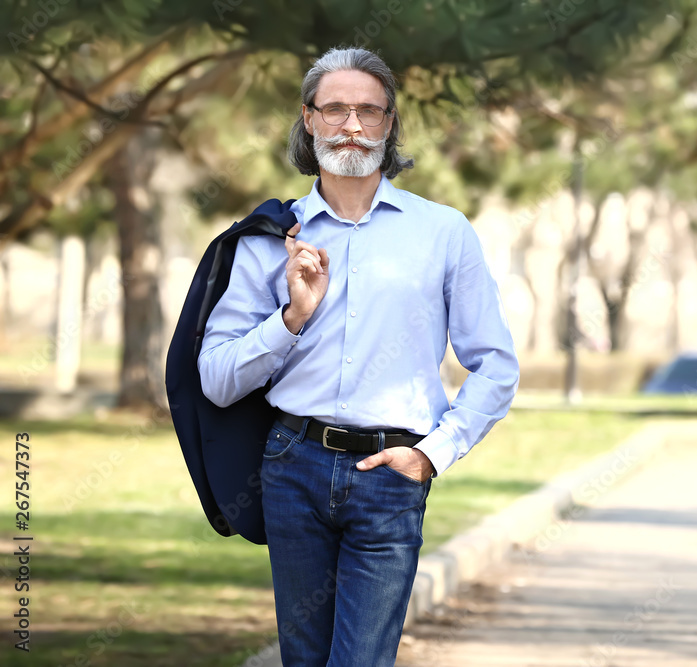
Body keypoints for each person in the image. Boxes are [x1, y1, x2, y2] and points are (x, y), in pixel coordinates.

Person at [197, 46, 519, 666]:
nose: (352, 125)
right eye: (336, 109)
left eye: (369, 112)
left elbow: (496, 366)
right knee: (304, 659)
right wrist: (291, 317)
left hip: (391, 473)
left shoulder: (442, 232)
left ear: (390, 124)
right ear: (309, 119)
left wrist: (431, 454)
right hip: (292, 468)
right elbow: (216, 379)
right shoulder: (271, 238)